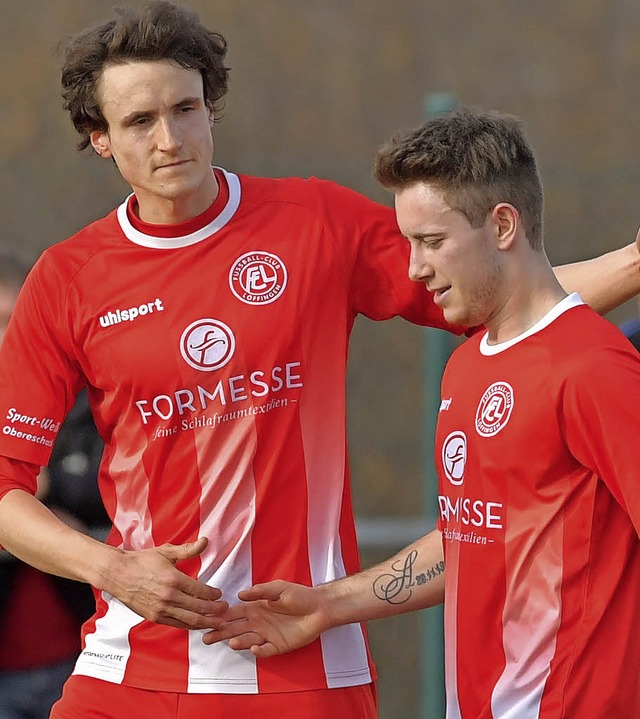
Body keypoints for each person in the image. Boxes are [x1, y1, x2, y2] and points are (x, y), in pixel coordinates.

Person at [0, 3, 638, 717]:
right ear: (100, 140)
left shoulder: (313, 223)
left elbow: (518, 296)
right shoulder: (67, 279)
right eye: (140, 121)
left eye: (186, 108)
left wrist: (637, 260)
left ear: (212, 109)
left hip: (300, 663)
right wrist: (112, 569)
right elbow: (5, 491)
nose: (171, 138)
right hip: (129, 667)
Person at [208, 108, 640, 719]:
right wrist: (331, 604)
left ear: (503, 225)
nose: (414, 268)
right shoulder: (468, 365)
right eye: (410, 243)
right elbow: (473, 537)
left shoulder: (592, 366)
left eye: (432, 242)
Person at [0, 249, 109, 719]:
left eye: (15, 320)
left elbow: (139, 536)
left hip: (84, 662)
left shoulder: (96, 407)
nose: (6, 339)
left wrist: (42, 513)